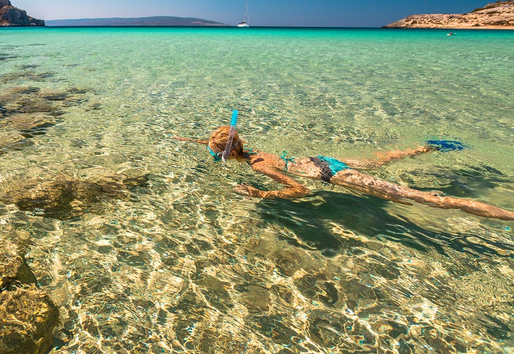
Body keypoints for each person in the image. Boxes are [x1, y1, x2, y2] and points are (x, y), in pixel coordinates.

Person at [173, 126, 514, 221]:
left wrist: (260, 194)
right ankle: (431, 146)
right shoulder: (253, 150)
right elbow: (221, 140)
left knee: (419, 198)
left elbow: (300, 191)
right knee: (386, 158)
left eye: (216, 155)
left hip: (332, 177)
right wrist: (188, 138)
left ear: (228, 155)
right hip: (326, 159)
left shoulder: (258, 165)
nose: (218, 158)